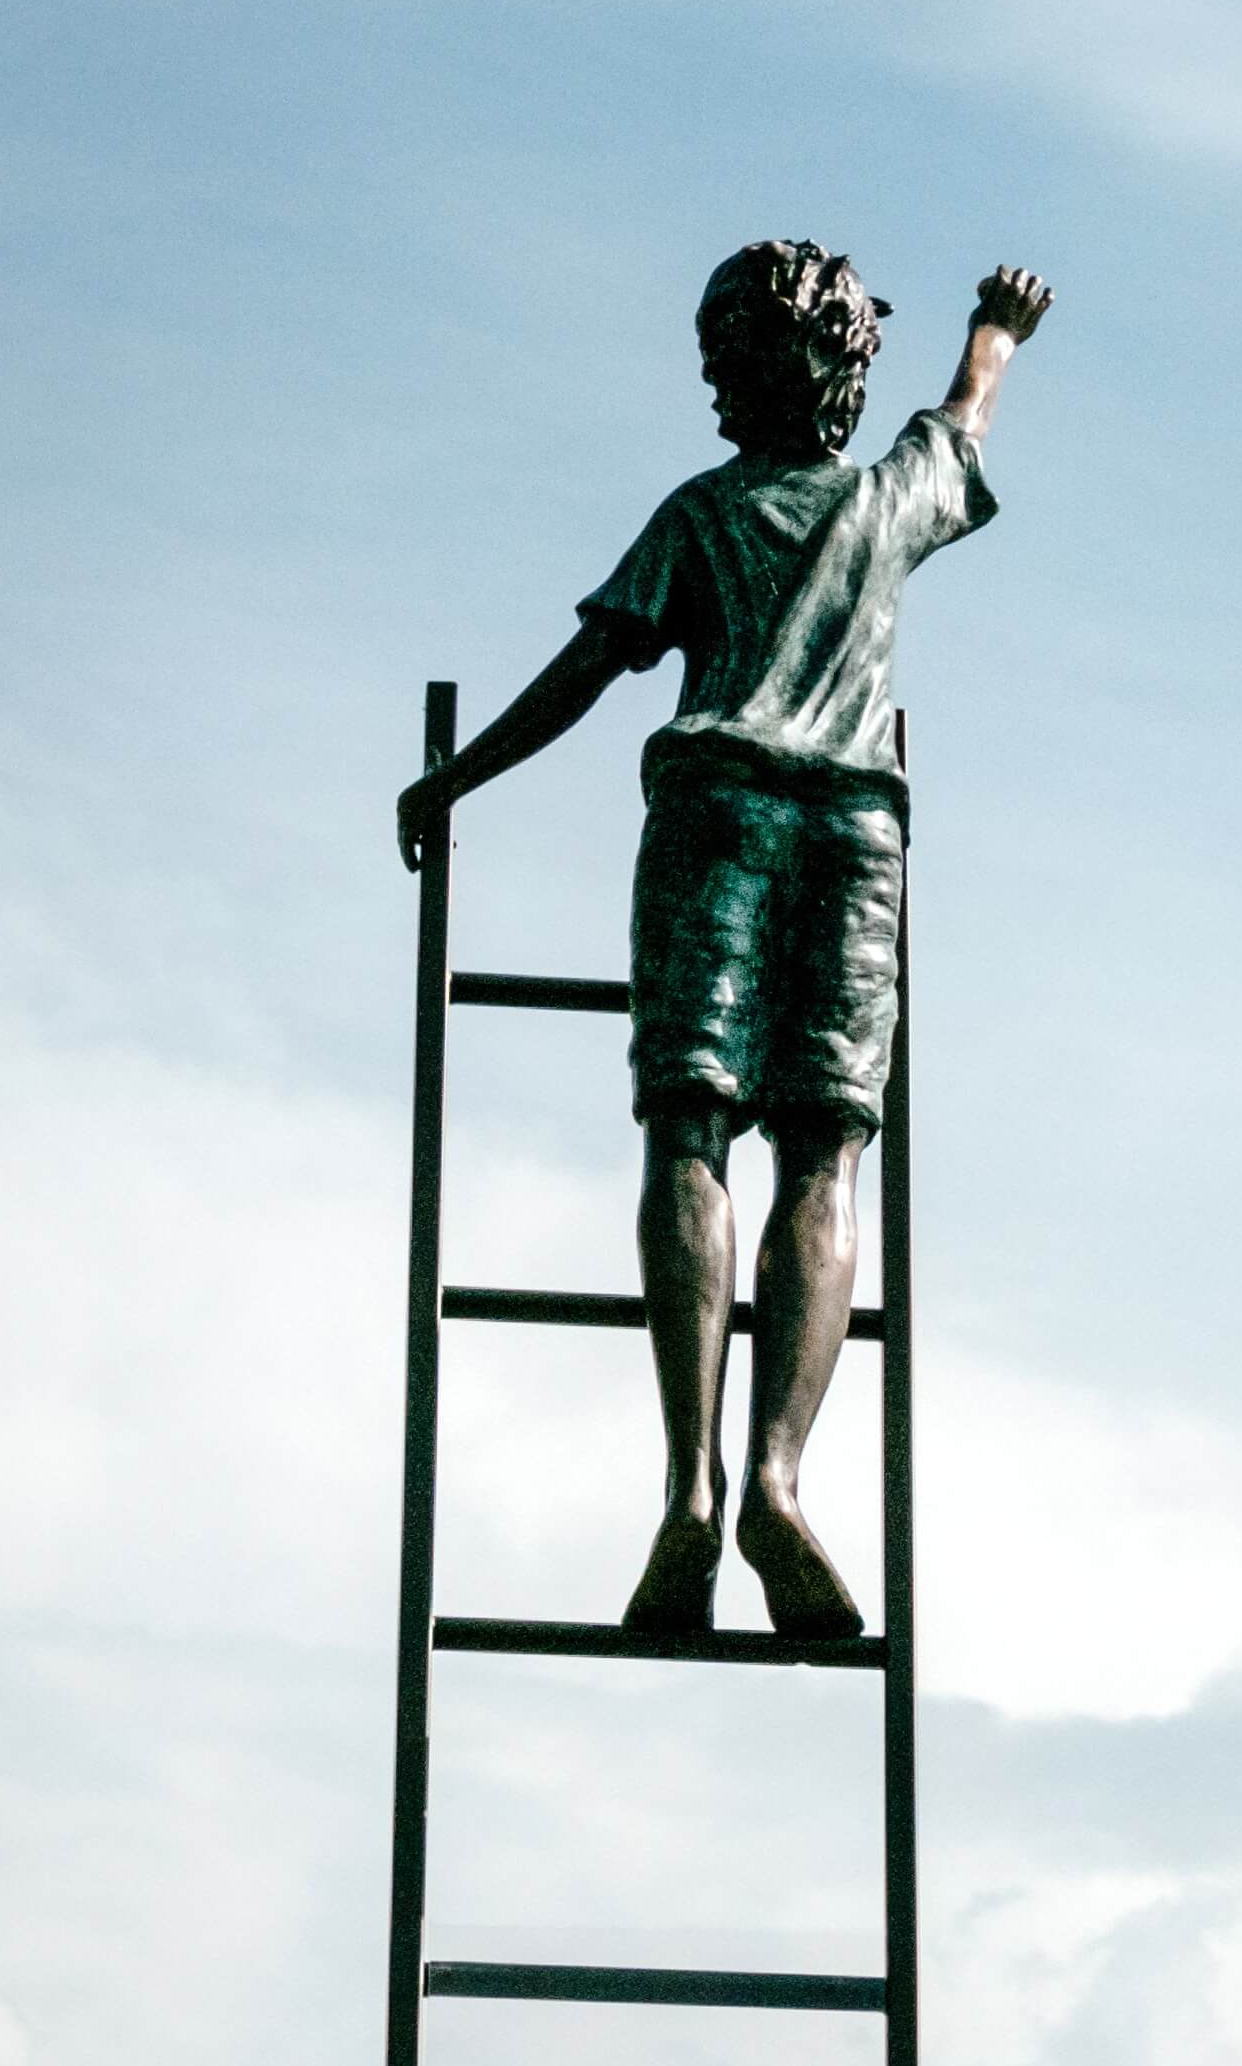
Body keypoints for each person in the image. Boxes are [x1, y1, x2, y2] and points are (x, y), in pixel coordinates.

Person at [395, 244, 1052, 1636]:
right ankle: (776, 1476)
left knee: (689, 1133)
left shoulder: (699, 515)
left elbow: (588, 671)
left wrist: (461, 783)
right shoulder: (885, 503)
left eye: (720, 361)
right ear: (843, 371)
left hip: (715, 820)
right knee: (825, 1151)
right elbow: (966, 420)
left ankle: (691, 1488)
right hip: (853, 832)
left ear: (768, 368)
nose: (708, 388)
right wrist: (996, 332)